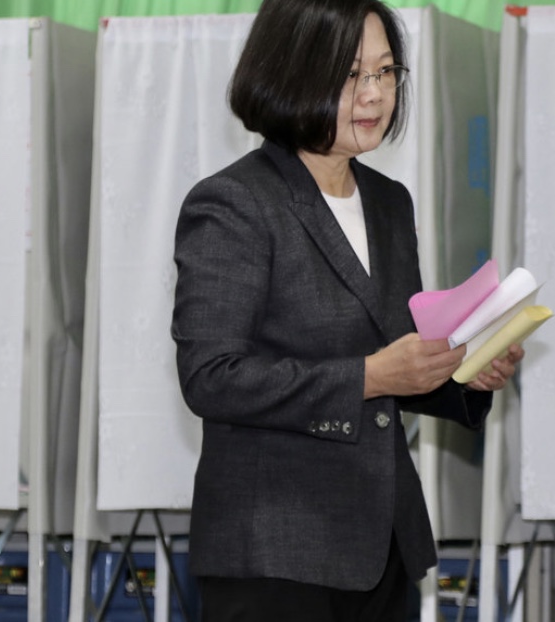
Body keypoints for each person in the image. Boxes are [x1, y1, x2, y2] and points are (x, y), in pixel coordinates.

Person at [171, 0, 524, 619]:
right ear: (289, 73)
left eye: (386, 72)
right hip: (274, 550)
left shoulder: (389, 203)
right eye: (350, 74)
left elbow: (395, 357)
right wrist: (371, 376)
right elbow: (212, 377)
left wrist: (466, 372)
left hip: (382, 543)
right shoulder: (234, 201)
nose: (374, 94)